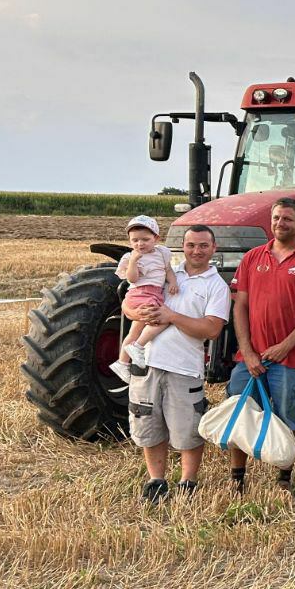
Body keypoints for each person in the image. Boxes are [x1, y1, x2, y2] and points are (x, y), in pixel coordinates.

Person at [227, 196, 295, 496]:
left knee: (288, 421)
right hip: (249, 359)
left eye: (287, 219)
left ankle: (283, 478)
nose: (279, 223)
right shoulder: (252, 258)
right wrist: (246, 351)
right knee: (241, 418)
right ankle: (237, 478)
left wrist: (285, 346)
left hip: (292, 359)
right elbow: (240, 307)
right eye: (275, 218)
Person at [123, 225, 230, 503]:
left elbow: (211, 329)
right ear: (182, 246)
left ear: (213, 248)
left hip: (184, 366)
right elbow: (130, 302)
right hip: (147, 364)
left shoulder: (216, 286)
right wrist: (136, 311)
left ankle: (187, 482)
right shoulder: (163, 271)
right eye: (191, 245)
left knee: (188, 429)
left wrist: (171, 316)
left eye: (203, 245)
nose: (197, 251)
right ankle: (156, 480)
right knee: (149, 423)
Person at [111, 214, 180, 381]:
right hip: (140, 293)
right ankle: (138, 346)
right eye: (135, 240)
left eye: (145, 239)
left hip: (154, 293)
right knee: (162, 320)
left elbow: (168, 270)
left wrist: (172, 282)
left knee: (134, 330)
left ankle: (122, 362)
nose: (139, 244)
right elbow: (132, 279)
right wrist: (134, 261)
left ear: (156, 238)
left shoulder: (162, 253)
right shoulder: (130, 257)